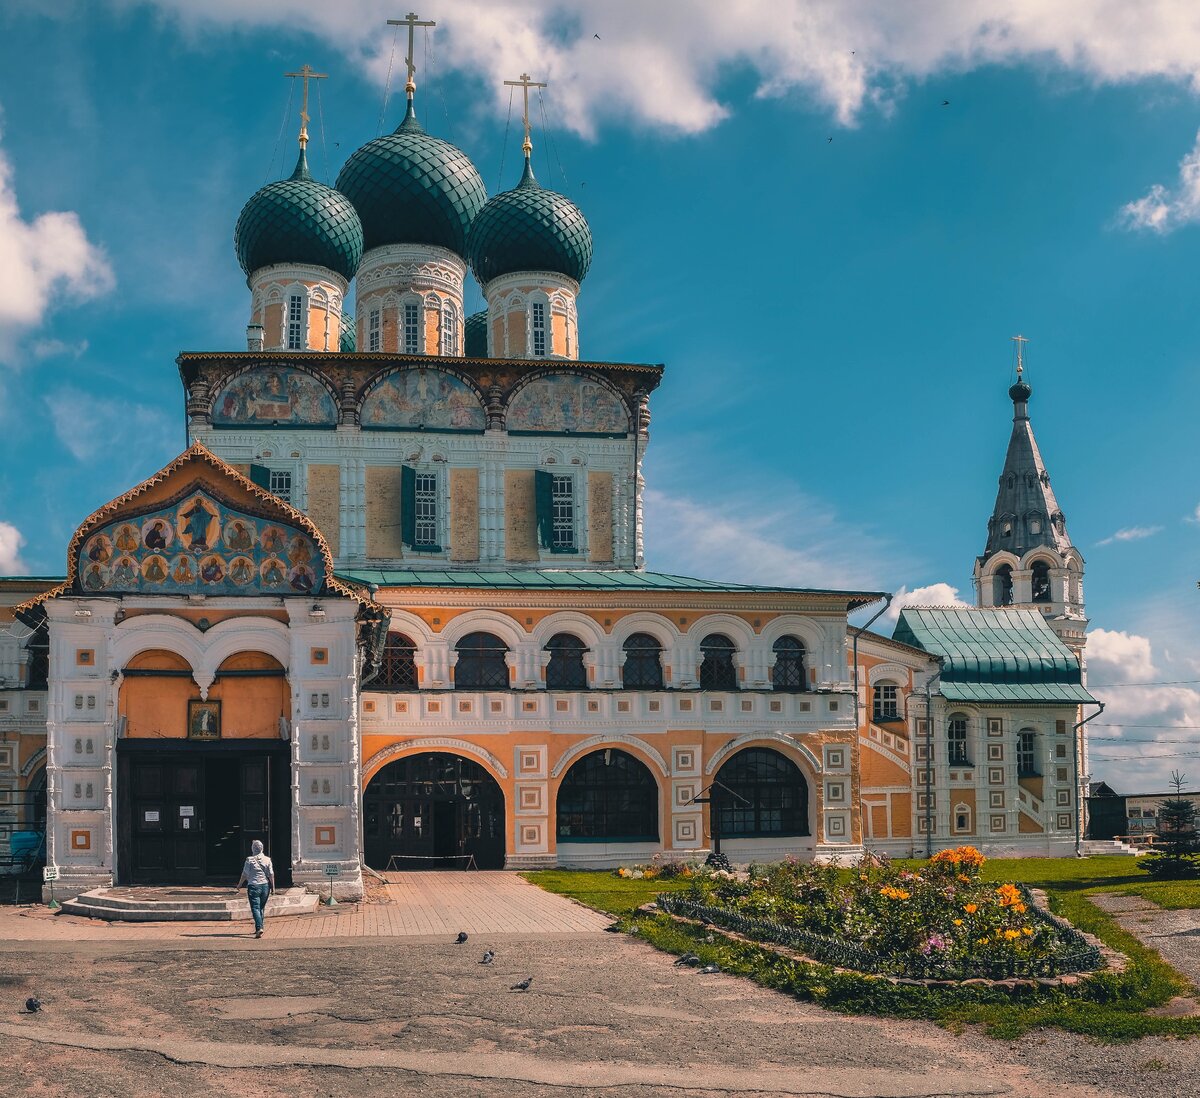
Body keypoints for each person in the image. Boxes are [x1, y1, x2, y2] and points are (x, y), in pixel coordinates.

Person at [236, 839, 275, 938]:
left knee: (255, 908)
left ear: (253, 849)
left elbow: (245, 874)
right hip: (265, 886)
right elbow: (271, 874)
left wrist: (239, 885)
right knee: (261, 908)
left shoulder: (249, 859)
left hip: (253, 886)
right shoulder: (268, 859)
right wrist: (273, 888)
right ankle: (260, 927)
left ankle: (259, 928)